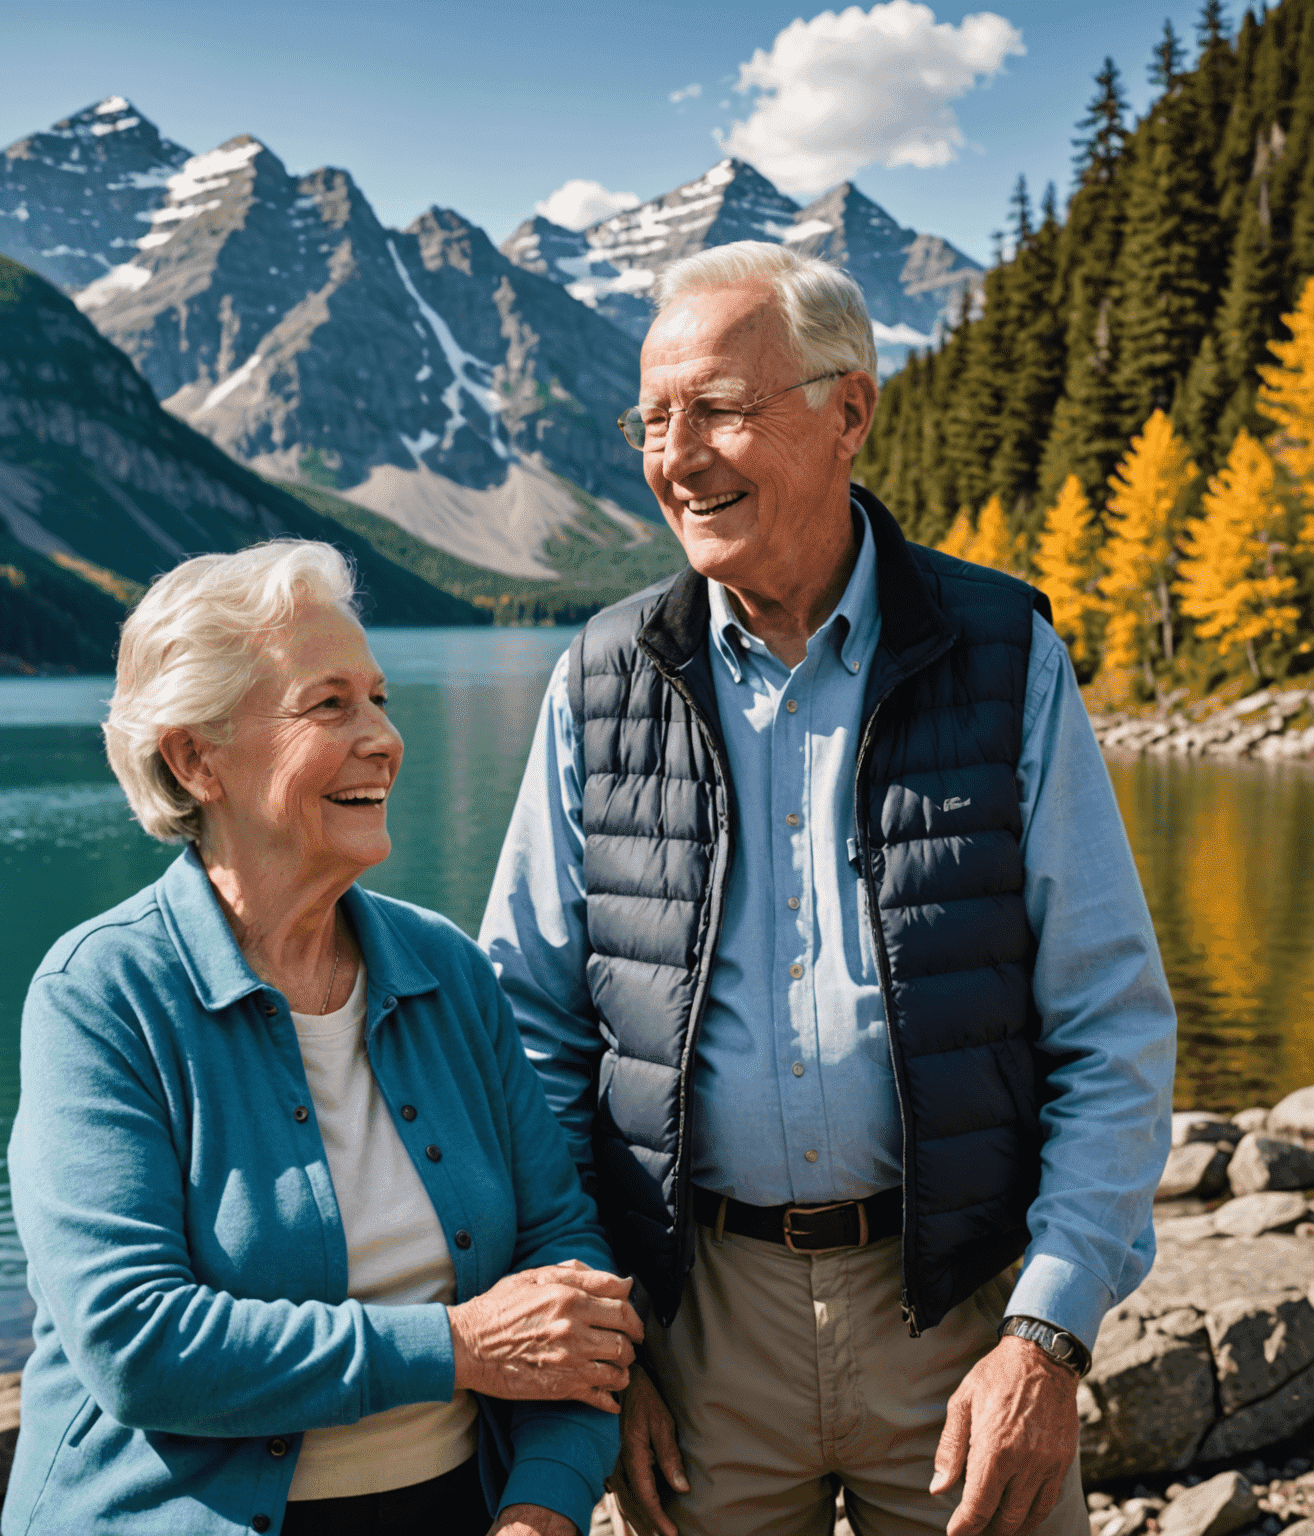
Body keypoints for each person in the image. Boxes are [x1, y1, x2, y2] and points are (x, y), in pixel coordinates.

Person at [480, 243, 1176, 1536]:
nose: (677, 455)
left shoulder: (1002, 654)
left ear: (850, 411)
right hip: (696, 1340)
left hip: (962, 1316)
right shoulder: (600, 678)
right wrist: (594, 1349)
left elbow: (1111, 1020)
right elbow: (527, 1040)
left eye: (723, 411)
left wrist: (1050, 1336)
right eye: (654, 418)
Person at [2, 540, 638, 1536]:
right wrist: (457, 1347)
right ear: (195, 756)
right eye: (331, 704)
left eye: (379, 699)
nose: (384, 737)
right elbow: (134, 1342)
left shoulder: (448, 971)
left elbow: (566, 1264)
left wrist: (545, 1501)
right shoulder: (102, 994)